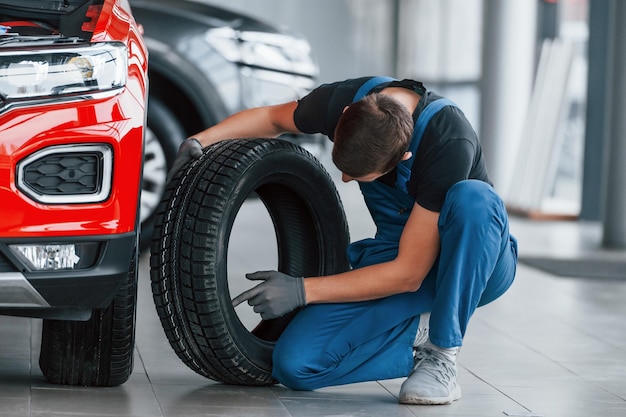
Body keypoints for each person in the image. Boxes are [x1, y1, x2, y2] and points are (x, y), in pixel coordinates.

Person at [171, 76, 518, 405]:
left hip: (474, 264)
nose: (345, 177)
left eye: (358, 175)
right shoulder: (343, 101)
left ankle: (442, 354)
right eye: (342, 164)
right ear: (346, 116)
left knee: (474, 200)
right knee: (295, 364)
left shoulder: (447, 140)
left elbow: (409, 273)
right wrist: (201, 140)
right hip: (399, 257)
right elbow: (271, 118)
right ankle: (417, 336)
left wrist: (302, 290)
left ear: (403, 158)